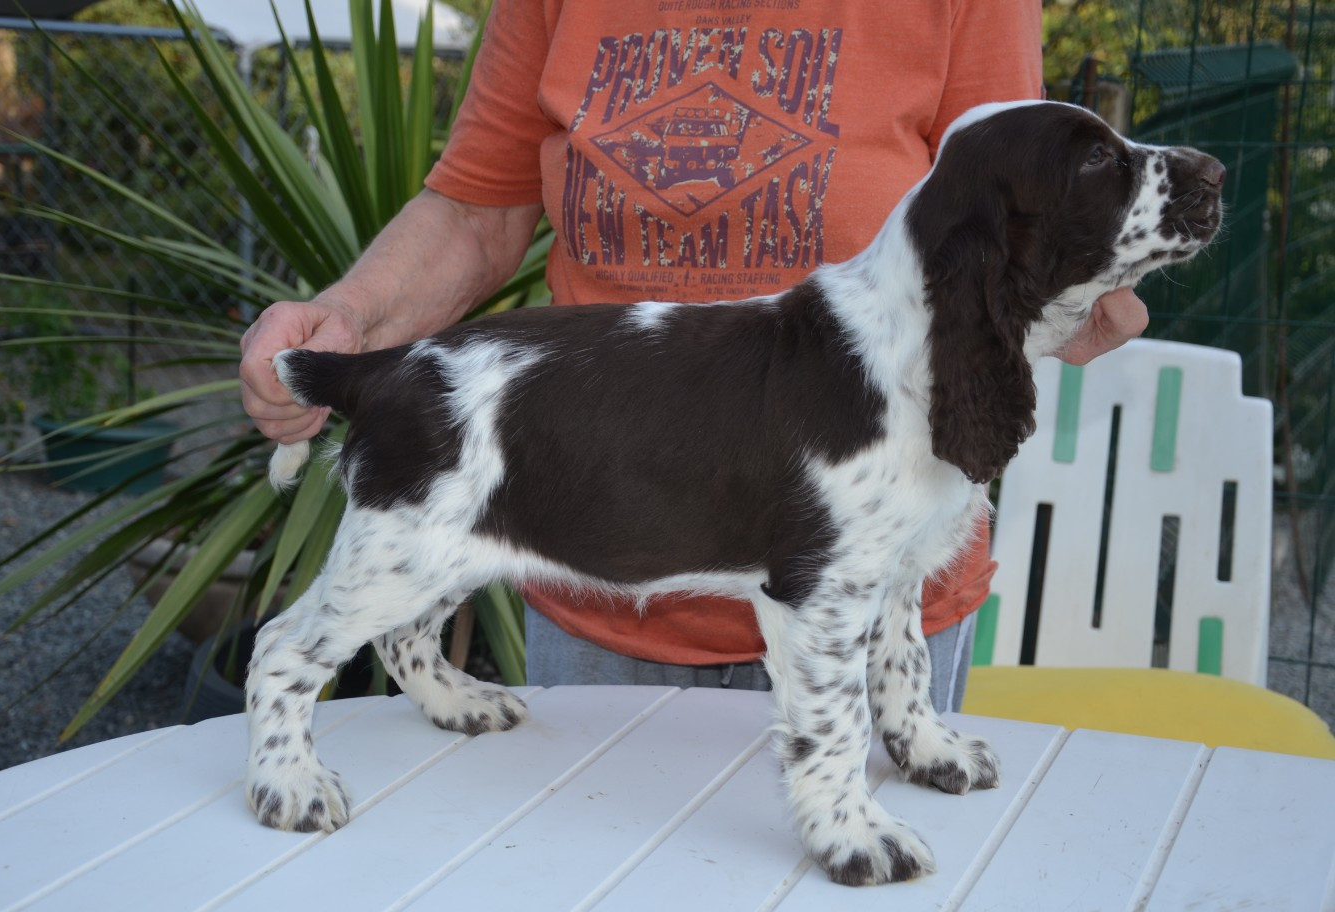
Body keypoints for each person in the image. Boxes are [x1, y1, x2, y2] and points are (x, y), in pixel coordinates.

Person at [240, 0, 1148, 713]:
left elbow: (1016, 219)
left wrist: (1058, 305)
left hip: (870, 597)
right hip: (604, 564)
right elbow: (480, 207)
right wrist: (346, 324)